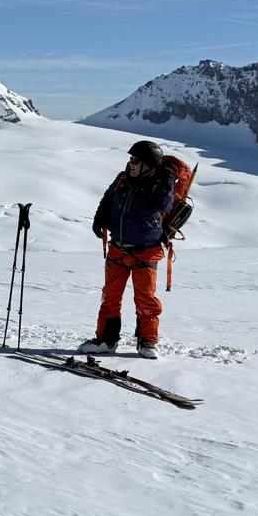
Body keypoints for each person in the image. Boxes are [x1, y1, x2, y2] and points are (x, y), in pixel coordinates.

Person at [84, 140, 176, 359]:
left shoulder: (158, 185)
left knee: (146, 300)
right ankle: (106, 340)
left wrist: (167, 181)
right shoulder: (122, 179)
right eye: (131, 159)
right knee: (110, 297)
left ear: (148, 165)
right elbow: (107, 200)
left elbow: (164, 206)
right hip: (118, 248)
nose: (131, 163)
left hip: (146, 252)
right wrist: (99, 218)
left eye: (136, 160)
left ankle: (147, 341)